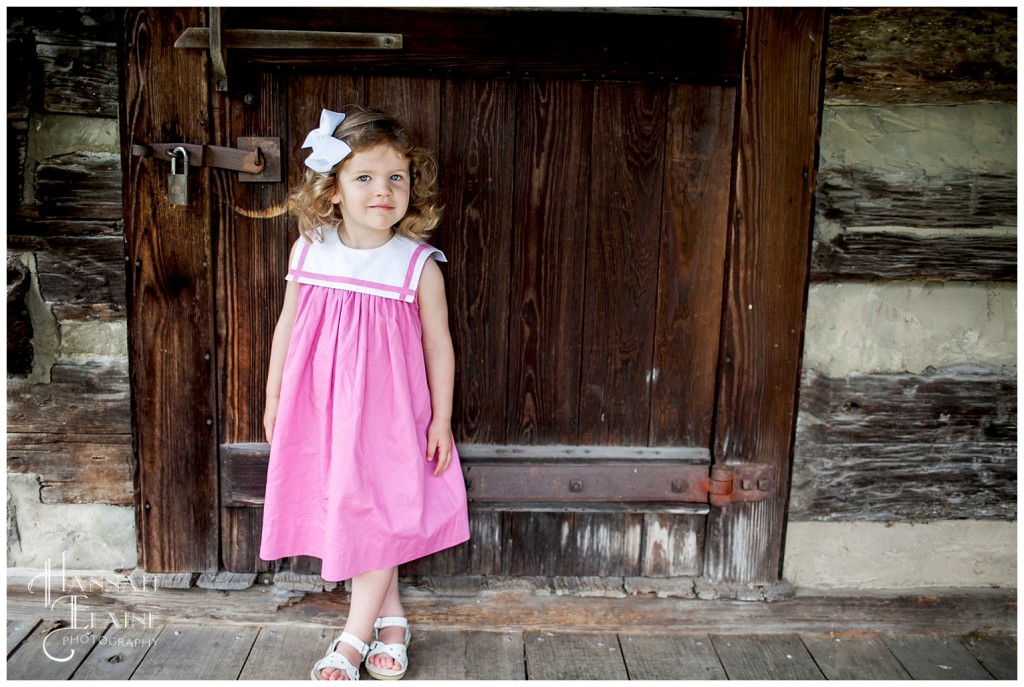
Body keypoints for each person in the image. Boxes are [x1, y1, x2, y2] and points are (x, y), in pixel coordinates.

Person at [260, 106, 470, 680]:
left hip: (388, 416)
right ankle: (392, 616)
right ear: (333, 191)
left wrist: (441, 419)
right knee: (357, 512)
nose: (384, 190)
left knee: (375, 511)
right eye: (365, 177)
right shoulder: (310, 249)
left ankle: (353, 637)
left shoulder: (417, 265)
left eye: (396, 178)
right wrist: (275, 397)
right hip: (324, 409)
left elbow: (438, 345)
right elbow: (287, 325)